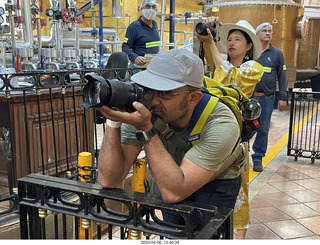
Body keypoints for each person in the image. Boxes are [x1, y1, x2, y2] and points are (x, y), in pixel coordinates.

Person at [97, 48, 246, 227]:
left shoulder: (221, 124)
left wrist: (146, 130)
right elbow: (109, 179)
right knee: (174, 229)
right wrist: (113, 122)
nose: (153, 100)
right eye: (150, 88)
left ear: (193, 98)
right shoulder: (145, 108)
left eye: (165, 93)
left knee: (208, 233)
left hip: (217, 178)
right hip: (170, 171)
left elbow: (173, 193)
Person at [197, 18, 263, 239]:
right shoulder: (219, 60)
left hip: (235, 135)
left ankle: (239, 238)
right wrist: (209, 35)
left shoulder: (253, 68)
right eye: (229, 39)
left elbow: (230, 79)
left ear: (249, 46)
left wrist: (214, 46)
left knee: (239, 190)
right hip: (211, 131)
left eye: (238, 39)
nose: (232, 43)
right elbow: (202, 56)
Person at [251, 22, 287, 172]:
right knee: (244, 127)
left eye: (270, 31)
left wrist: (282, 97)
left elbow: (282, 76)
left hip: (267, 99)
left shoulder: (277, 53)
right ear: (257, 33)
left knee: (263, 129)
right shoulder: (250, 50)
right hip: (249, 97)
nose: (268, 33)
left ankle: (258, 157)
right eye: (264, 30)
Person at [122, 0, 160, 71]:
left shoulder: (155, 24)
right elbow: (125, 46)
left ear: (156, 9)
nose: (151, 9)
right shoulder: (134, 26)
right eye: (148, 6)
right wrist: (135, 57)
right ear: (142, 8)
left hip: (152, 66)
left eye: (153, 7)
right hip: (138, 67)